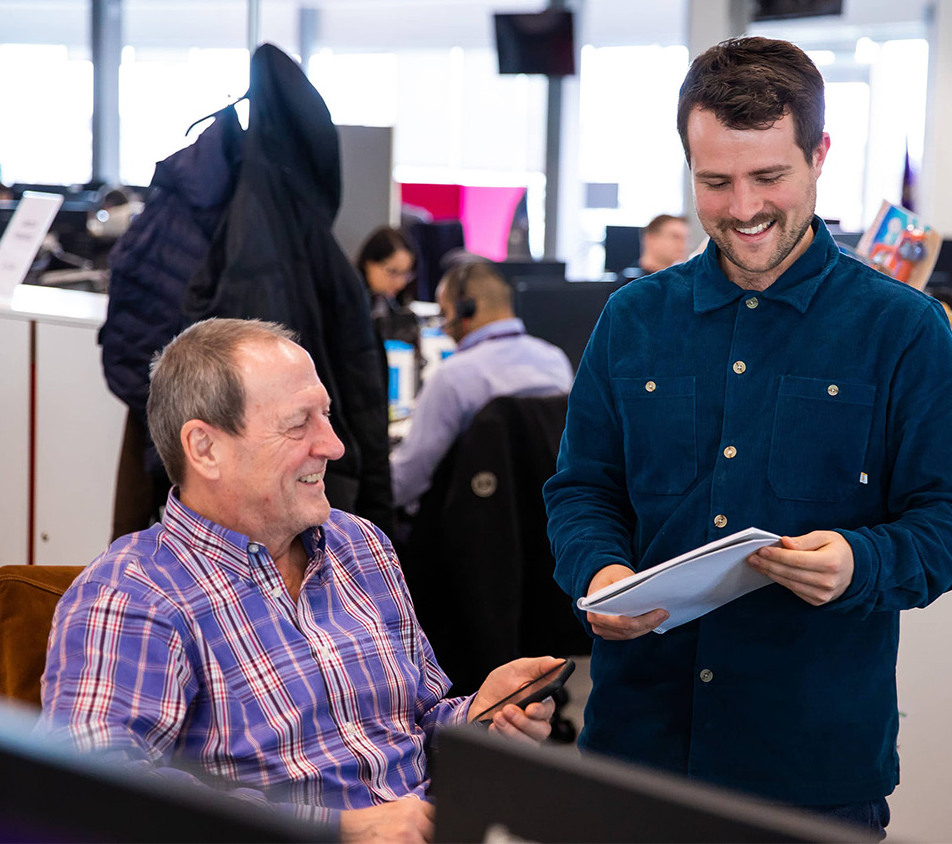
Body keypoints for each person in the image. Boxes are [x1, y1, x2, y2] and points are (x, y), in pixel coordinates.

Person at [542, 36, 952, 835]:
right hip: (636, 753)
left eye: (769, 177)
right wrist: (601, 570)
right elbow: (583, 489)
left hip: (811, 769)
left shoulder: (903, 330)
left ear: (819, 155)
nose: (743, 208)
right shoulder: (632, 320)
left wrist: (862, 561)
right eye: (715, 182)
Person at [39, 318, 559, 843]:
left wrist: (480, 719)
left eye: (326, 417)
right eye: (298, 424)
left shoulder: (359, 545)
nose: (333, 446)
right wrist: (338, 830)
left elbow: (416, 722)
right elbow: (94, 791)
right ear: (204, 448)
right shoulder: (136, 593)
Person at [391, 262, 573, 510]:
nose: (444, 327)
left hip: (469, 530)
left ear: (465, 308)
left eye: (445, 314)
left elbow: (407, 481)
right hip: (546, 525)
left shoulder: (452, 378)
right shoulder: (556, 361)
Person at [357, 226, 419, 346]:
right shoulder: (351, 303)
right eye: (393, 272)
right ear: (368, 263)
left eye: (406, 274)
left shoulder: (395, 304)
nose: (401, 283)